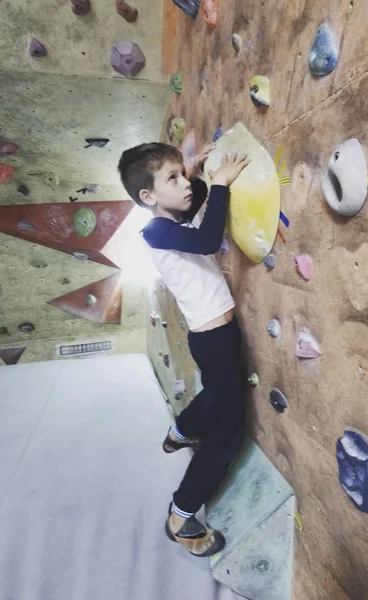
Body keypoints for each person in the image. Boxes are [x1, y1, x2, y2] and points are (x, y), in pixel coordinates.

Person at [118, 142, 250, 557]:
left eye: (181, 173)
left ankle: (178, 432)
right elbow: (210, 238)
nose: (185, 184)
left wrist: (189, 172)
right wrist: (220, 181)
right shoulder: (156, 230)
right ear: (148, 197)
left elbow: (195, 203)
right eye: (171, 178)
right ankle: (181, 514)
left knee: (216, 395)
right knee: (228, 432)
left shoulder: (171, 217)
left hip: (218, 336)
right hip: (211, 340)